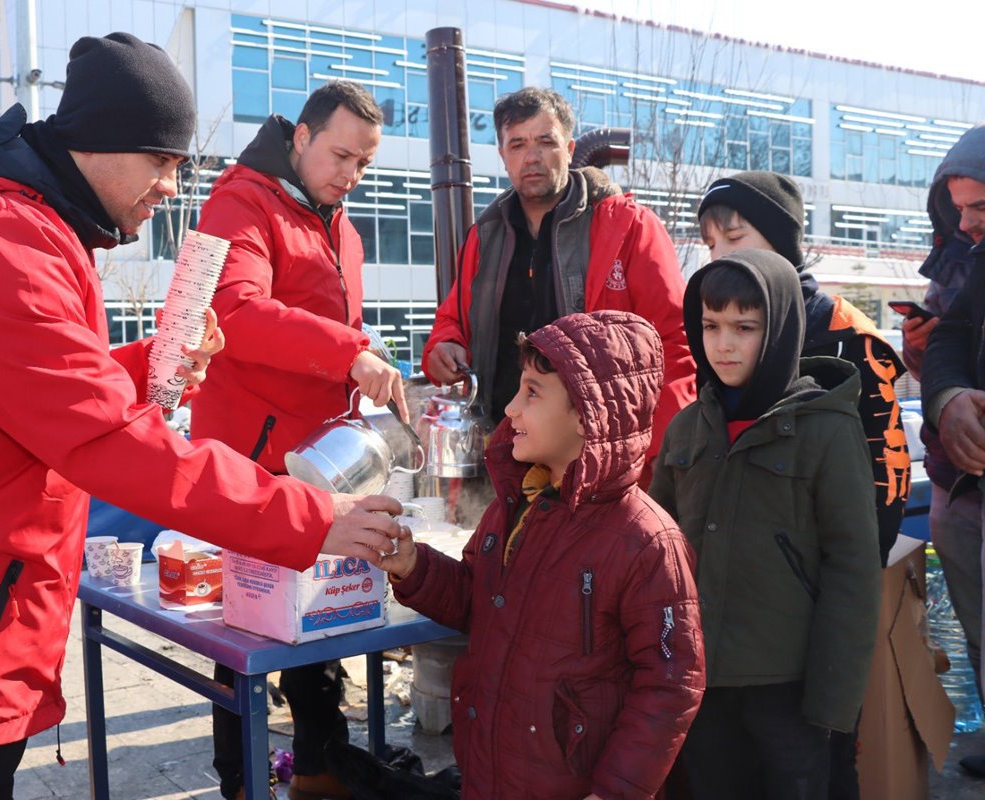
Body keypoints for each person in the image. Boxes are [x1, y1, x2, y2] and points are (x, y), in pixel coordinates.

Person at [0, 34, 401, 800]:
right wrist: (308, 516)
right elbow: (101, 435)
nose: (169, 187)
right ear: (100, 143)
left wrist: (156, 364)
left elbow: (34, 391)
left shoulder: (22, 228)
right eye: (162, 162)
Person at [382, 311, 706, 799]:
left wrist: (614, 791)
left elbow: (671, 683)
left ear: (588, 415)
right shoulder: (516, 508)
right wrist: (413, 565)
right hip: (494, 772)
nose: (511, 409)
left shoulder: (645, 540)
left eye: (532, 392)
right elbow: (476, 599)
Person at [189, 80, 403, 800]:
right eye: (341, 154)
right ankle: (242, 784)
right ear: (302, 137)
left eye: (364, 163)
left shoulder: (342, 226)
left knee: (321, 622)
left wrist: (362, 367)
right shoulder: (237, 201)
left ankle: (319, 771)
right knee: (242, 640)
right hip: (248, 456)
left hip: (319, 462)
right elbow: (235, 311)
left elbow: (327, 335)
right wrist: (349, 351)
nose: (351, 174)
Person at [695, 170, 910, 797]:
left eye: (734, 237)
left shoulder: (846, 337)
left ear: (784, 243)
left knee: (818, 768)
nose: (720, 256)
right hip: (732, 637)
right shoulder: (721, 334)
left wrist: (825, 613)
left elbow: (881, 495)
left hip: (811, 628)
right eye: (710, 244)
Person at [649, 250, 880, 799]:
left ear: (778, 331)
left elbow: (852, 568)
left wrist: (833, 701)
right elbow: (657, 553)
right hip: (702, 681)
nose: (723, 344)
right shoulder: (687, 430)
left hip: (792, 689)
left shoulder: (824, 430)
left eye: (744, 328)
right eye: (710, 325)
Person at [422, 87, 694, 477]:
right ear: (502, 155)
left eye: (545, 141)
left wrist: (654, 461)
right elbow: (451, 323)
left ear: (568, 147)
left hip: (600, 465)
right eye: (517, 144)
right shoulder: (483, 236)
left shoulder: (627, 227)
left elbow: (676, 345)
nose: (531, 156)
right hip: (503, 461)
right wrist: (443, 347)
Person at [916, 124, 985, 777]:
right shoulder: (975, 261)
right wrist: (948, 398)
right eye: (958, 210)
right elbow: (948, 342)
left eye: (981, 208)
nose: (967, 228)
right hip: (964, 487)